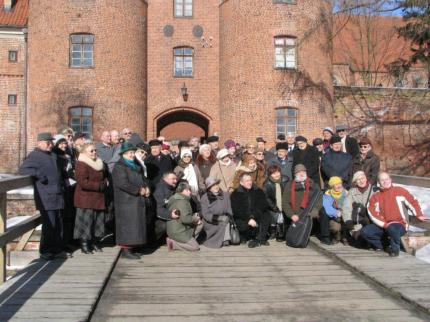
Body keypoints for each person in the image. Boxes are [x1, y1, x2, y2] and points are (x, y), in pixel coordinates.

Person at [19, 132, 69, 260]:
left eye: (51, 142)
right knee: (49, 225)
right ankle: (45, 251)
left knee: (58, 224)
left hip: (57, 194)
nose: (51, 144)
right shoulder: (35, 155)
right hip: (46, 195)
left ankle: (57, 250)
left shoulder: (52, 154)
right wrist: (39, 174)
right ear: (39, 143)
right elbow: (23, 169)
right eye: (48, 142)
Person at [361, 172, 427, 257]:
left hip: (399, 224)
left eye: (387, 179)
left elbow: (413, 201)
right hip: (384, 224)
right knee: (365, 232)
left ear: (390, 180)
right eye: (382, 180)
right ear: (379, 182)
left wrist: (418, 214)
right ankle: (385, 246)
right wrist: (384, 224)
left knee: (393, 229)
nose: (385, 181)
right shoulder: (376, 196)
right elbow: (371, 211)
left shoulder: (400, 191)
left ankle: (395, 250)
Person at [112, 142, 151, 260]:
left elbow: (143, 179)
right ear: (123, 153)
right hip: (126, 201)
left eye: (133, 152)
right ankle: (125, 249)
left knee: (136, 225)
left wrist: (146, 187)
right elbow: (123, 184)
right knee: (127, 225)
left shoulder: (135, 165)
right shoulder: (119, 166)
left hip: (136, 200)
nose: (132, 154)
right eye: (129, 152)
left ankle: (133, 247)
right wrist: (138, 190)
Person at [73, 143, 108, 254]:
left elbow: (104, 176)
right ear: (84, 153)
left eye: (95, 150)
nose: (94, 153)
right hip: (86, 198)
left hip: (98, 197)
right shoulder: (82, 164)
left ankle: (95, 242)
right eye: (91, 151)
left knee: (97, 222)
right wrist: (99, 185)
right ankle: (84, 244)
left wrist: (105, 181)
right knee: (85, 223)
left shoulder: (98, 163)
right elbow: (82, 182)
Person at [231, 173, 270, 248]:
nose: (249, 182)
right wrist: (249, 219)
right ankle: (244, 236)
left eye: (250, 180)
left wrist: (253, 216)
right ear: (241, 183)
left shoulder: (258, 191)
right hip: (244, 217)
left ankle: (261, 238)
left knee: (266, 214)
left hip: (256, 215)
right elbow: (236, 210)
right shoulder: (235, 194)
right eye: (247, 181)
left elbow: (263, 205)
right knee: (240, 221)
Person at [52, 134, 76, 250]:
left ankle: (67, 241)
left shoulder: (67, 155)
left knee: (68, 216)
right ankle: (60, 244)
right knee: (61, 217)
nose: (64, 145)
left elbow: (69, 170)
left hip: (69, 188)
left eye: (65, 143)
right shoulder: (54, 156)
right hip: (61, 189)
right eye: (61, 143)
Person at [166, 182, 203, 252]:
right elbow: (185, 219)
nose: (190, 192)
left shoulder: (177, 198)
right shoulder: (181, 202)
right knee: (195, 247)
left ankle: (189, 240)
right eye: (189, 190)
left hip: (177, 228)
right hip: (179, 230)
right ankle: (173, 244)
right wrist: (196, 218)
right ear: (184, 190)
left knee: (200, 224)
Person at [342, 171, 375, 245]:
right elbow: (346, 207)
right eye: (358, 179)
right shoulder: (352, 192)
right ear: (355, 183)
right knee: (359, 240)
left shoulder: (374, 190)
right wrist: (348, 220)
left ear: (366, 179)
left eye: (362, 178)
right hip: (357, 221)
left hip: (371, 221)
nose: (361, 181)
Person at [201, 177, 233, 248]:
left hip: (224, 219)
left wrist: (228, 216)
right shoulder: (205, 198)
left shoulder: (225, 195)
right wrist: (218, 218)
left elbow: (229, 209)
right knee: (222, 222)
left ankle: (225, 239)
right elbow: (206, 215)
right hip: (211, 221)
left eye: (216, 184)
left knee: (226, 220)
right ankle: (219, 240)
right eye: (213, 185)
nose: (216, 187)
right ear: (209, 188)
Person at [319, 176, 348, 245]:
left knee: (347, 223)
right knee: (335, 228)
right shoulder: (327, 194)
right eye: (336, 184)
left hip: (345, 214)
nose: (339, 186)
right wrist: (336, 213)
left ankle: (345, 237)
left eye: (340, 183)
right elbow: (327, 208)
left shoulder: (346, 193)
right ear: (332, 186)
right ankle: (337, 237)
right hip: (334, 217)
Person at [263, 165, 287, 241]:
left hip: (284, 204)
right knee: (274, 217)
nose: (276, 175)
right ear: (270, 175)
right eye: (273, 173)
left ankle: (281, 234)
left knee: (283, 220)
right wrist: (274, 207)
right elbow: (267, 198)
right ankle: (272, 232)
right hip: (273, 205)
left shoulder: (285, 180)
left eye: (277, 172)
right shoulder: (267, 184)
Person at [153, 172, 179, 241]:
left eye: (176, 179)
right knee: (163, 226)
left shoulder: (173, 188)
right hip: (158, 218)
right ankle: (152, 241)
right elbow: (158, 209)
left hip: (171, 214)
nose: (175, 181)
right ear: (165, 179)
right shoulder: (159, 190)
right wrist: (170, 214)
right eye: (173, 179)